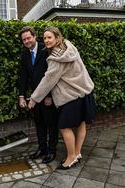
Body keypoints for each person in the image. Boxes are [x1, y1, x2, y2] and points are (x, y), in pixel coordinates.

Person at [28, 26, 96, 170]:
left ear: (57, 38)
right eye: (44, 38)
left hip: (72, 96)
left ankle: (71, 157)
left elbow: (48, 80)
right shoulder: (70, 47)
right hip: (85, 92)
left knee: (64, 126)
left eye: (49, 37)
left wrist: (34, 99)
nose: (46, 40)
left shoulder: (56, 58)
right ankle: (77, 153)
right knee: (81, 124)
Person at [19, 26, 59, 164]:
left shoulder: (46, 50)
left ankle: (52, 151)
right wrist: (21, 96)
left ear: (35, 37)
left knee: (51, 124)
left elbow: (53, 76)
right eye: (24, 39)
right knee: (39, 124)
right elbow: (23, 75)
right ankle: (42, 148)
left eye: (29, 38)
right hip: (34, 97)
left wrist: (50, 96)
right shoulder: (25, 54)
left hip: (47, 96)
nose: (27, 41)